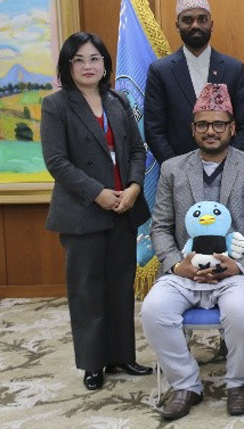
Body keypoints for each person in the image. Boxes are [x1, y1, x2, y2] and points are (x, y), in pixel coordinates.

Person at [141, 83, 244, 421]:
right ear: (193, 129)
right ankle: (185, 384)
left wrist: (240, 265)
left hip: (237, 272)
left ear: (232, 128)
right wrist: (175, 264)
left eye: (218, 124)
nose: (210, 131)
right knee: (154, 310)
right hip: (185, 268)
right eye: (202, 124)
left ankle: (237, 383)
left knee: (241, 313)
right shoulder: (172, 169)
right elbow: (160, 226)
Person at [41, 31, 152, 390]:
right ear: (67, 66)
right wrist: (97, 194)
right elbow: (57, 161)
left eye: (95, 59)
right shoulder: (56, 105)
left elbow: (137, 149)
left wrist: (134, 187)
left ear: (105, 64)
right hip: (83, 211)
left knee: (120, 285)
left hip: (123, 207)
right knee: (87, 289)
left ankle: (122, 356)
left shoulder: (117, 100)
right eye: (79, 60)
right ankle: (93, 363)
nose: (88, 66)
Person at [144, 0, 244, 164]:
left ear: (211, 24)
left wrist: (229, 165)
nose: (195, 25)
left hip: (228, 169)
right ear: (177, 26)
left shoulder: (234, 69)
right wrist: (177, 170)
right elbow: (154, 129)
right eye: (187, 20)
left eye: (202, 19)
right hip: (179, 173)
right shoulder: (160, 71)